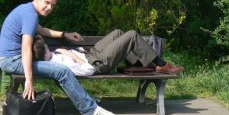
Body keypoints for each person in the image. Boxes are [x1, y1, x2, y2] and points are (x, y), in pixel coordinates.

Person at [0, 0, 118, 115]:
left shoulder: (27, 10)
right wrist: (29, 80)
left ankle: (85, 99)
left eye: (52, 5)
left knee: (58, 71)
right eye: (46, 2)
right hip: (12, 60)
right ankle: (91, 110)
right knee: (62, 71)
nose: (49, 7)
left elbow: (42, 30)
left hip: (10, 59)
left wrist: (64, 34)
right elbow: (25, 48)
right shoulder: (30, 15)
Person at [32, 30, 184, 75]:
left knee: (118, 32)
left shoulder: (52, 55)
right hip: (97, 63)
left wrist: (65, 47)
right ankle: (161, 64)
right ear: (44, 56)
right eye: (46, 49)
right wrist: (68, 54)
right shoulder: (57, 63)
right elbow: (87, 70)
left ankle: (139, 64)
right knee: (131, 35)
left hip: (90, 53)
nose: (48, 48)